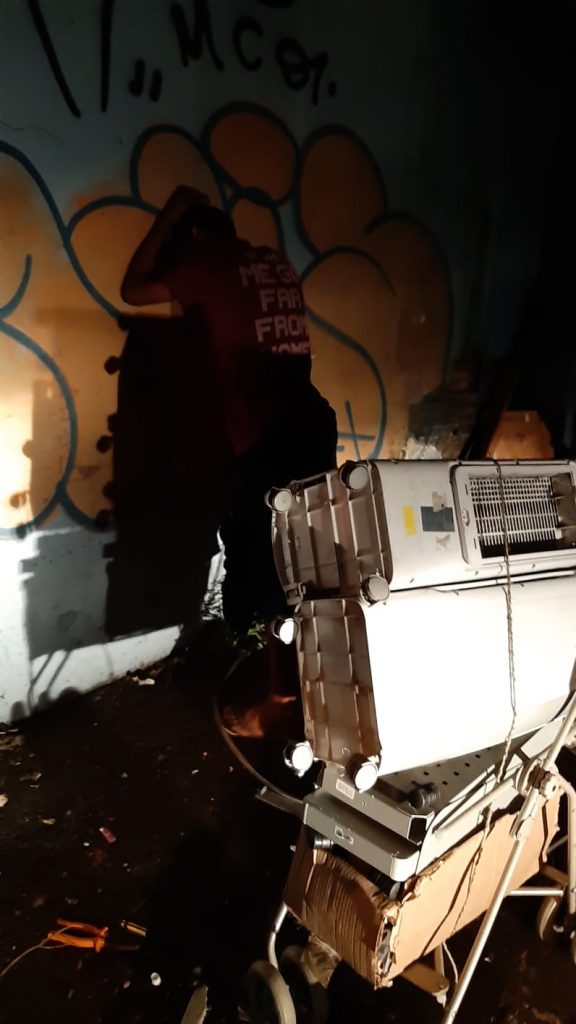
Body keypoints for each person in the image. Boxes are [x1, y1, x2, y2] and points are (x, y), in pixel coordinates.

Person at [122, 186, 338, 735]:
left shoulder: (205, 263)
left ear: (194, 238)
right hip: (311, 421)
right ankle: (312, 681)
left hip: (264, 435)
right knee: (304, 560)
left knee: (262, 565)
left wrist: (169, 214)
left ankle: (277, 703)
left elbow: (133, 288)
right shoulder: (274, 263)